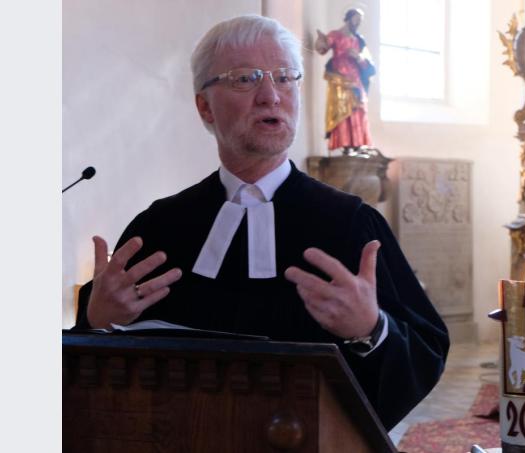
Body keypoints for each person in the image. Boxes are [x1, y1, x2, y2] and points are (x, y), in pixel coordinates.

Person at [74, 14, 449, 431]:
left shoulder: (351, 226)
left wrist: (370, 329)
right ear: (204, 106)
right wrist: (97, 321)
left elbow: (424, 351)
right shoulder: (161, 227)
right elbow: (99, 365)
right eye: (245, 79)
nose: (271, 95)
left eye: (286, 77)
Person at [315, 8, 376, 153]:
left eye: (360, 21)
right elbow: (322, 49)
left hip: (356, 80)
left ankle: (359, 143)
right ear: (348, 19)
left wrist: (358, 57)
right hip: (339, 78)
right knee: (343, 110)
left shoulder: (359, 40)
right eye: (356, 20)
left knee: (359, 109)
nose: (358, 23)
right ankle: (346, 144)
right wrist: (320, 41)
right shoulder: (335, 35)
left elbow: (368, 64)